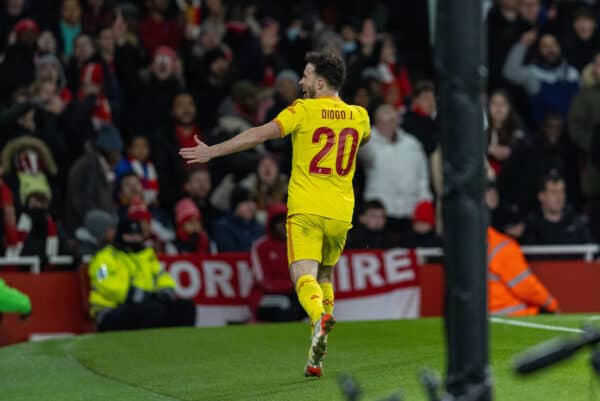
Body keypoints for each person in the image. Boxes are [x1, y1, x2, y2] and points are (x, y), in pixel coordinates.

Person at [180, 51, 370, 377]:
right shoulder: (360, 116)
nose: (301, 81)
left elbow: (259, 133)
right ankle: (316, 355)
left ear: (320, 82)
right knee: (325, 276)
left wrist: (213, 151)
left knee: (303, 277)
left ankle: (318, 318)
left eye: (307, 76)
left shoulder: (303, 110)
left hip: (307, 209)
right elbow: (360, 140)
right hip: (341, 213)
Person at [88, 215, 196, 331]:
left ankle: (180, 343)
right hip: (111, 309)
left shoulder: (147, 256)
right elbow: (103, 282)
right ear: (120, 236)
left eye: (137, 235)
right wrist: (133, 294)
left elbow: (161, 275)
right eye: (129, 235)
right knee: (152, 310)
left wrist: (166, 290)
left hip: (144, 304)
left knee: (185, 306)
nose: (134, 239)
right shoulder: (104, 258)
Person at [359, 104, 433, 242]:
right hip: (382, 212)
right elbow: (363, 153)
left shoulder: (412, 144)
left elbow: (422, 177)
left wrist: (425, 202)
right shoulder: (367, 143)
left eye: (392, 121)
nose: (388, 125)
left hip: (409, 210)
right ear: (377, 122)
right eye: (384, 122)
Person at [503, 31, 579, 127]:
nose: (550, 49)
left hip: (571, 134)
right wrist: (523, 43)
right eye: (545, 46)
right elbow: (510, 72)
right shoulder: (533, 74)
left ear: (560, 47)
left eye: (554, 44)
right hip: (541, 136)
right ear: (538, 50)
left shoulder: (573, 73)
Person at [250, 203, 305, 322]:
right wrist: (290, 286)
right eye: (280, 223)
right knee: (286, 305)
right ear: (273, 224)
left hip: (293, 293)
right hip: (266, 296)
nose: (284, 226)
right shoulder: (261, 247)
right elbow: (262, 280)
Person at [487, 226, 558, 316]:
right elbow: (527, 288)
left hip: (477, 318)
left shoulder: (466, 244)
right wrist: (551, 305)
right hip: (511, 316)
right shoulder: (501, 247)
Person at [523, 172, 592, 244]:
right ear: (541, 196)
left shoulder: (577, 223)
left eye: (562, 191)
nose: (559, 197)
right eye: (554, 192)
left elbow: (591, 250)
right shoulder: (531, 224)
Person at [211, 186, 264, 252]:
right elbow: (230, 253)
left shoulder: (260, 228)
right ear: (235, 206)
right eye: (245, 203)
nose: (251, 206)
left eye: (253, 202)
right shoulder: (223, 227)